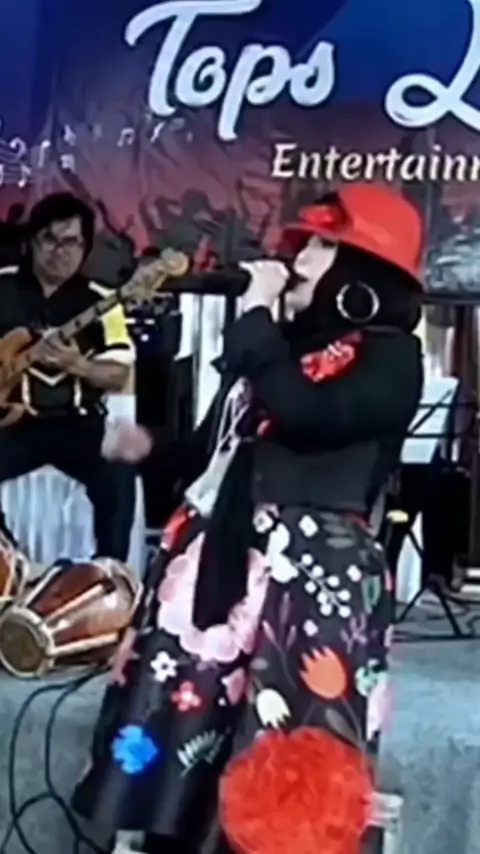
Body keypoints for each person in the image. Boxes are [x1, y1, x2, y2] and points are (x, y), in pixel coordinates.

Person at [73, 183, 424, 854]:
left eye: (320, 247)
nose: (297, 259)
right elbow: (222, 453)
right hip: (226, 572)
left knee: (290, 738)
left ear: (362, 273)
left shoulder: (391, 354)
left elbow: (312, 417)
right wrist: (151, 447)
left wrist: (258, 315)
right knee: (191, 734)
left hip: (311, 582)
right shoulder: (279, 354)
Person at [0, 192, 136, 562]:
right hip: (11, 425)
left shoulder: (102, 301)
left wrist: (77, 365)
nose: (58, 251)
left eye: (70, 242)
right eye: (49, 239)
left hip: (77, 424)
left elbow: (117, 374)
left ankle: (109, 575)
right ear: (31, 242)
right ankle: (10, 564)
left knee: (118, 474)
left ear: (85, 248)